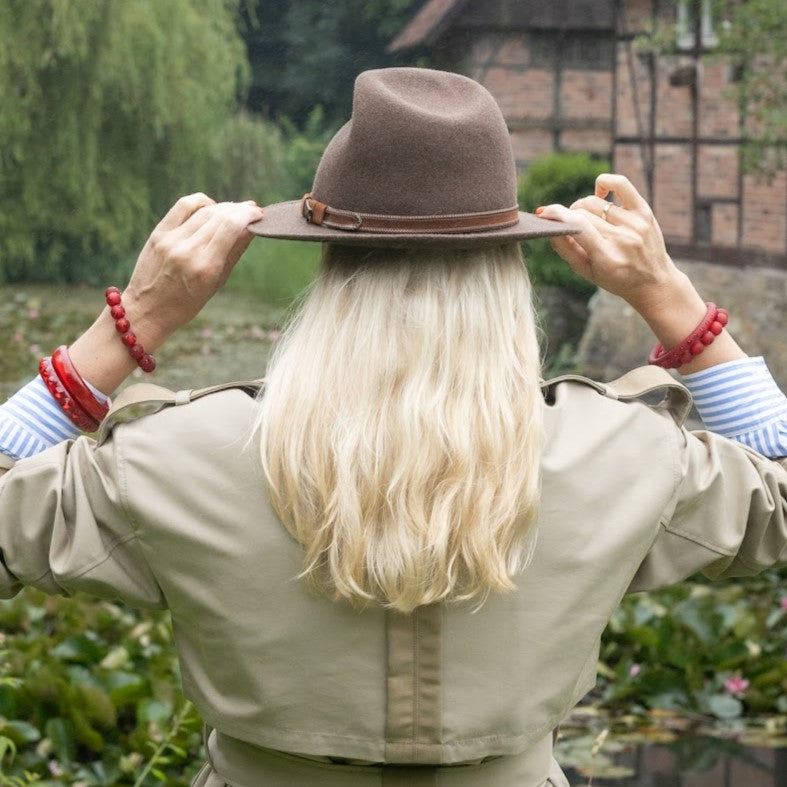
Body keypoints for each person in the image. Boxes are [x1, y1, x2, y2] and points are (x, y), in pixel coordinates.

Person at [0, 68, 784, 787]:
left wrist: (135, 322)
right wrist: (672, 303)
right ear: (506, 266)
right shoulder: (622, 450)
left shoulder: (176, 455)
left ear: (329, 264)